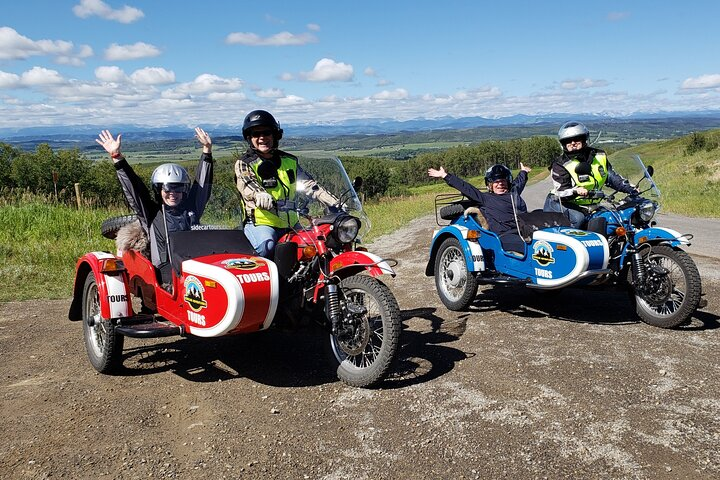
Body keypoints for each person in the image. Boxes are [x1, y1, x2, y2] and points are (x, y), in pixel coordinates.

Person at [96, 127, 214, 286]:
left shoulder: (191, 209)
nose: (172, 193)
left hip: (193, 267)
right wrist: (117, 157)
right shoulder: (152, 212)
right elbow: (135, 190)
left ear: (184, 190)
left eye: (178, 188)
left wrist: (207, 151)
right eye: (167, 188)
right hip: (165, 274)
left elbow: (202, 187)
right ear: (159, 190)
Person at [235, 110, 338, 257]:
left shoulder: (289, 161)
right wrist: (259, 194)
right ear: (249, 138)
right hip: (262, 223)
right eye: (256, 134)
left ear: (275, 135)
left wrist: (334, 202)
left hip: (291, 223)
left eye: (266, 133)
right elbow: (247, 183)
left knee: (313, 246)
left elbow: (310, 185)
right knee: (267, 247)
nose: (262, 138)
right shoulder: (245, 163)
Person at [544, 121, 637, 228]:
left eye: (577, 139)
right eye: (568, 141)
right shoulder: (560, 164)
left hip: (590, 205)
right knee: (578, 219)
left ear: (585, 140)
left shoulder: (599, 156)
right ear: (563, 144)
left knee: (613, 219)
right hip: (561, 203)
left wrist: (630, 188)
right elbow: (561, 191)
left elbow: (611, 177)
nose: (573, 143)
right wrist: (575, 190)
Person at [428, 162, 532, 253]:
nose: (500, 184)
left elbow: (519, 182)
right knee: (531, 248)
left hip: (523, 231)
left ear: (508, 182)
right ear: (490, 184)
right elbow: (466, 188)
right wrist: (445, 175)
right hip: (503, 236)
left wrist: (523, 172)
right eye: (496, 182)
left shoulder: (513, 194)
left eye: (503, 181)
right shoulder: (485, 198)